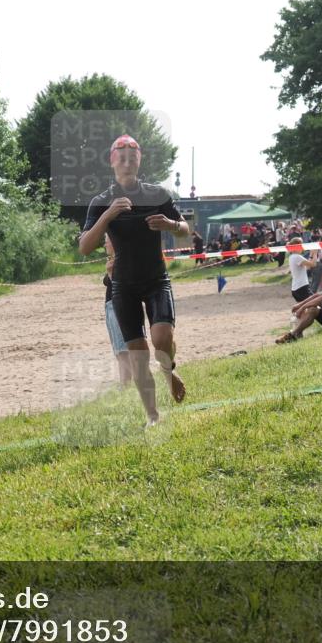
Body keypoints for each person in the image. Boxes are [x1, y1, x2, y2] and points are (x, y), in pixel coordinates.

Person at [79, 133, 189, 425]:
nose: (127, 160)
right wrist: (107, 217)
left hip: (156, 280)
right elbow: (84, 246)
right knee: (139, 355)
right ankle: (153, 416)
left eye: (133, 155)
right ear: (112, 161)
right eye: (121, 155)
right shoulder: (101, 201)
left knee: (162, 338)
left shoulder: (157, 195)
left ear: (140, 160)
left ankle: (168, 370)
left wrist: (170, 224)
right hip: (122, 287)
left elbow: (186, 230)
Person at [103, 236, 132, 386]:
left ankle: (126, 386)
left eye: (107, 239)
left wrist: (110, 275)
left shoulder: (121, 262)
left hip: (117, 306)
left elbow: (121, 287)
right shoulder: (115, 260)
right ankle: (125, 384)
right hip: (111, 306)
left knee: (123, 350)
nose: (104, 243)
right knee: (119, 350)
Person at [287, 237, 319, 302]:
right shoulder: (297, 257)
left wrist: (311, 254)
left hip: (296, 288)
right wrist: (315, 253)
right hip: (302, 287)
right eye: (301, 245)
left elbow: (308, 267)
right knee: (315, 303)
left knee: (304, 308)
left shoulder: (292, 257)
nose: (302, 248)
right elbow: (313, 264)